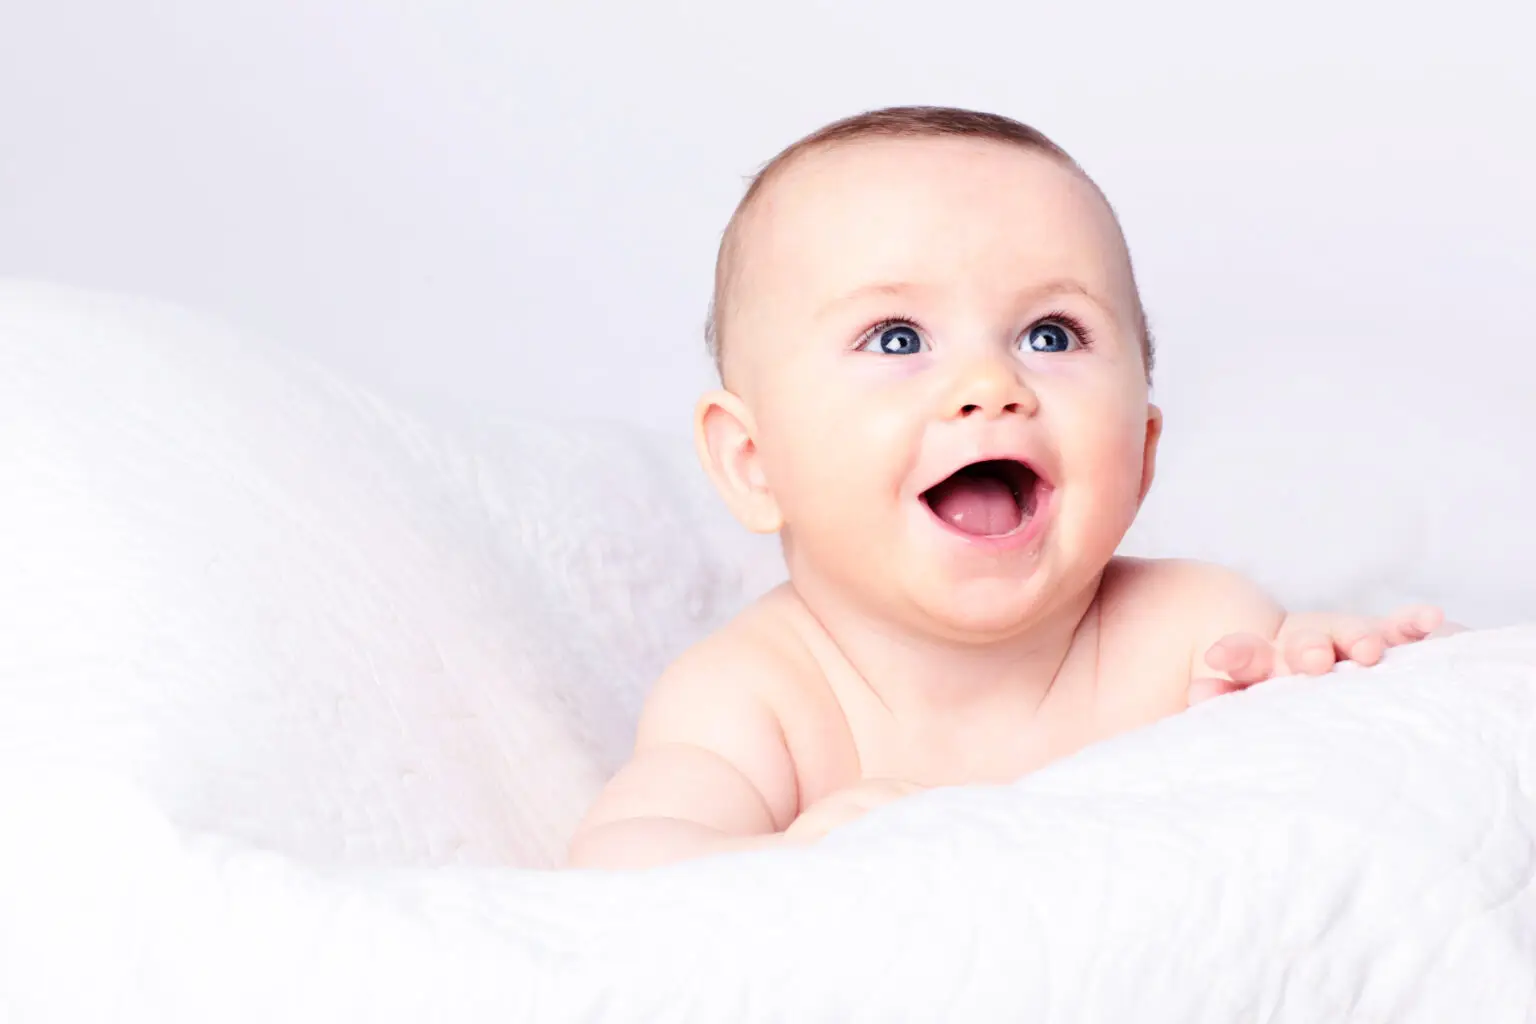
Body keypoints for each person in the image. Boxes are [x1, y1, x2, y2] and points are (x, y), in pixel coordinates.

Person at [567, 106, 1447, 869]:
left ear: (1140, 456)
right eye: (898, 339)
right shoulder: (758, 696)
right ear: (754, 464)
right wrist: (786, 861)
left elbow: (1335, 804)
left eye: (1052, 336)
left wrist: (1325, 674)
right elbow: (621, 860)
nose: (991, 384)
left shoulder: (1197, 633)